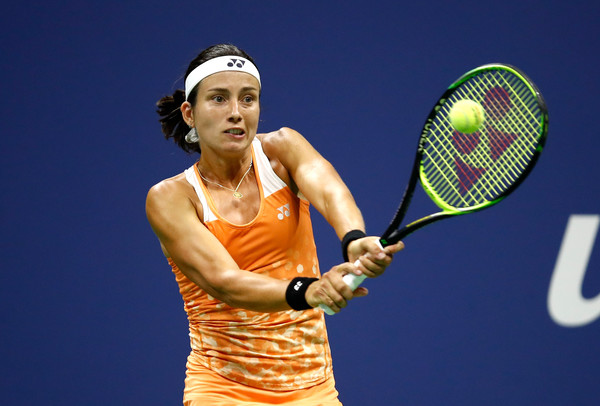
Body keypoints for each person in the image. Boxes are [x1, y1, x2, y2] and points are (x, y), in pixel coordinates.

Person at [146, 43, 404, 406]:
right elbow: (225, 282)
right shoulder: (171, 198)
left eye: (248, 99)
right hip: (222, 389)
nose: (236, 113)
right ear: (189, 113)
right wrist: (308, 291)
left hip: (312, 389)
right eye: (219, 99)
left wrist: (354, 238)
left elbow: (329, 191)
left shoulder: (282, 151)